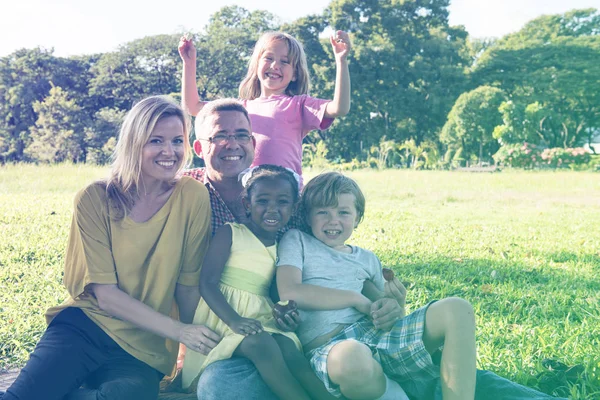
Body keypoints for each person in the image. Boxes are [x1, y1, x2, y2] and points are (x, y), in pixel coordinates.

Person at [183, 100, 561, 400]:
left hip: (314, 335)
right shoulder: (189, 195)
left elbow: (341, 254)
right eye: (220, 136)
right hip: (250, 339)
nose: (232, 144)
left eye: (241, 135)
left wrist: (388, 303)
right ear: (200, 147)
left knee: (430, 360)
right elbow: (199, 282)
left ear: (254, 142)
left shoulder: (286, 195)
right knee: (221, 386)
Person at [0, 96, 220, 400]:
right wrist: (180, 331)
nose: (169, 152)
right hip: (85, 328)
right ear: (133, 142)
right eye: (156, 140)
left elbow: (187, 285)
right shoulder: (94, 199)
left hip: (145, 345)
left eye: (177, 140)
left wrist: (193, 348)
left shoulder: (192, 196)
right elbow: (105, 296)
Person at [276, 172, 567, 400]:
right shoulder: (298, 242)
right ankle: (397, 394)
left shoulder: (366, 259)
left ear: (358, 216)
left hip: (378, 340)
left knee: (457, 308)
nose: (333, 221)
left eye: (343, 212)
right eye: (322, 212)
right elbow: (291, 292)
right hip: (332, 348)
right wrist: (354, 298)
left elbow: (385, 314)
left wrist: (393, 305)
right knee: (352, 356)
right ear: (308, 215)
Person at [182, 165, 336, 400]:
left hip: (260, 316)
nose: (272, 209)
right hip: (225, 318)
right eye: (262, 201)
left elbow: (276, 294)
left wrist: (285, 313)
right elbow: (208, 283)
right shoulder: (231, 233)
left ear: (293, 208)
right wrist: (234, 320)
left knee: (288, 347)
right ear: (247, 204)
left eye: (282, 202)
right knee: (260, 343)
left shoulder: (283, 247)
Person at [178, 30, 351, 181]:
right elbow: (193, 107)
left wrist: (341, 61)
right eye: (268, 58)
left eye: (285, 61)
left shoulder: (299, 104)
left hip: (284, 196)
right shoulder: (239, 109)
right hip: (247, 195)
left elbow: (339, 108)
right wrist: (189, 63)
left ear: (295, 74)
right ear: (256, 65)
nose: (275, 65)